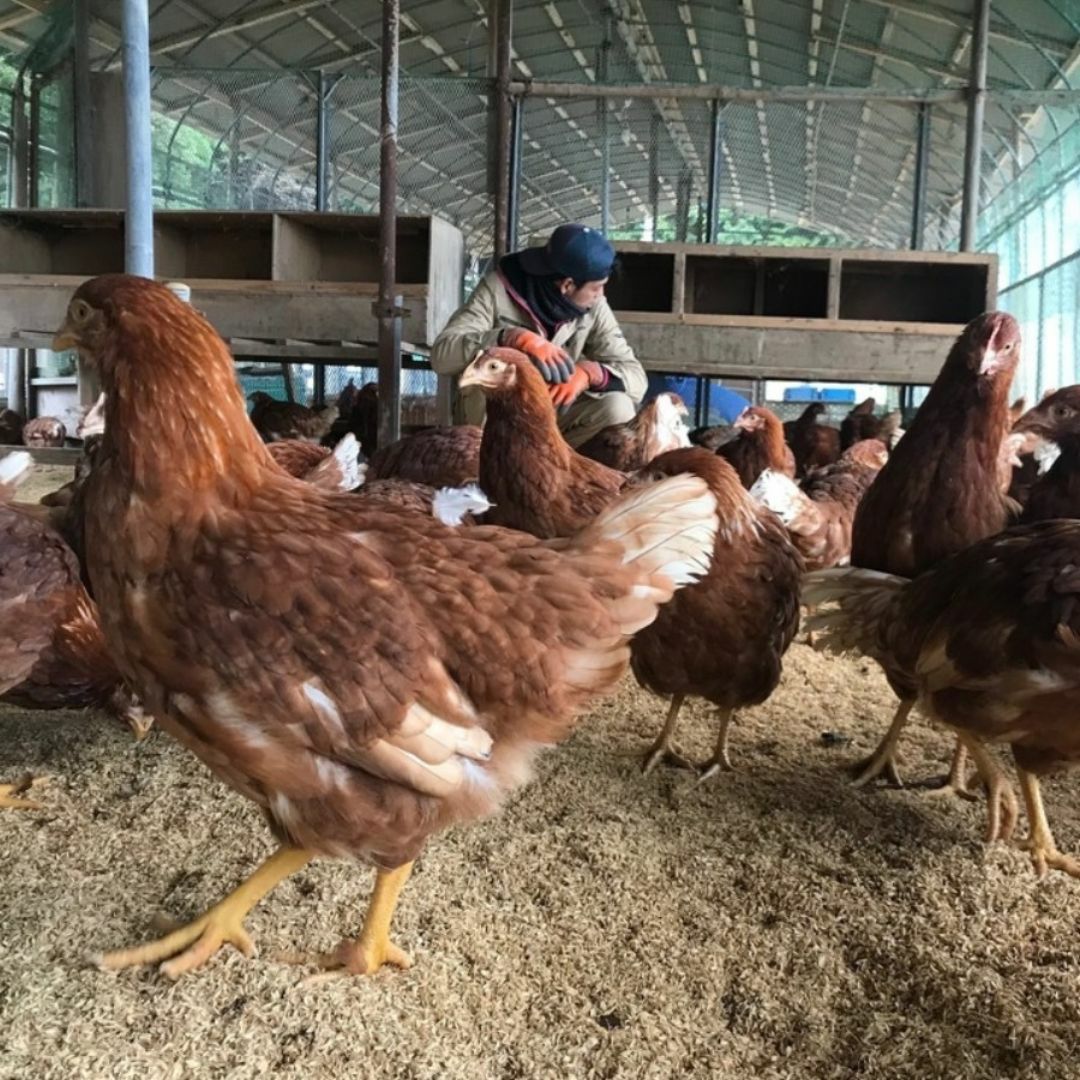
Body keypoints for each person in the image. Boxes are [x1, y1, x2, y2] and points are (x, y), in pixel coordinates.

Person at [431, 223, 647, 447]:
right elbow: (442, 356)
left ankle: (559, 467)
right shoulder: (498, 289)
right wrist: (510, 338)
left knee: (617, 408)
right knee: (489, 380)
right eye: (596, 287)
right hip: (493, 424)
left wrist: (589, 374)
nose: (600, 294)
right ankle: (485, 464)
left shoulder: (595, 307)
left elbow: (637, 379)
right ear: (567, 285)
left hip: (552, 418)